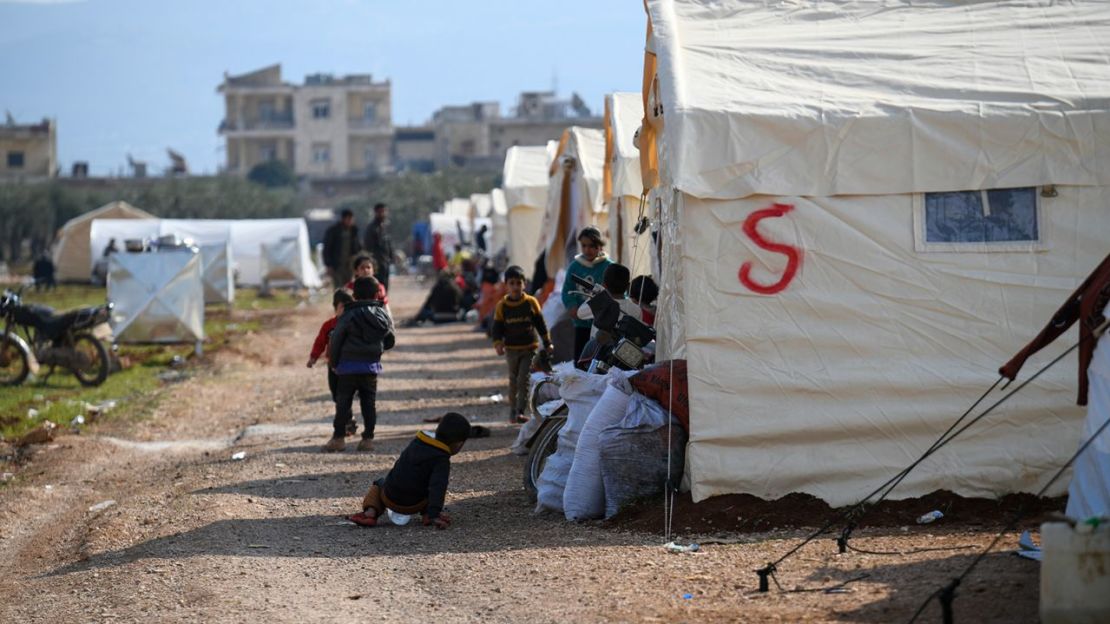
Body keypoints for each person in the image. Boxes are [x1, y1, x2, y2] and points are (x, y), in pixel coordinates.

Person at [348, 412, 471, 529]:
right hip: (415, 504)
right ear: (458, 444)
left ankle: (370, 513)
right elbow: (438, 487)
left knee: (379, 484)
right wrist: (435, 514)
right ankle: (428, 514)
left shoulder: (417, 442)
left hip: (389, 497)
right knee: (430, 486)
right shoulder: (441, 459)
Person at [325, 276, 395, 452]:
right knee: (369, 403)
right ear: (376, 294)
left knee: (343, 403)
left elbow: (336, 340)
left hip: (347, 367)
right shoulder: (382, 314)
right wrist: (377, 350)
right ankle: (368, 439)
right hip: (370, 367)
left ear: (354, 295)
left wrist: (334, 362)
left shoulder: (348, 314)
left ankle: (339, 438)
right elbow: (390, 339)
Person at [492, 266, 553, 423]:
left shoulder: (531, 303)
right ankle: (513, 410)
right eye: (511, 283)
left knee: (523, 379)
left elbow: (540, 324)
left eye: (518, 283)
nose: (515, 287)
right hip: (511, 349)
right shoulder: (502, 306)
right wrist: (498, 343)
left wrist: (547, 342)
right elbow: (497, 328)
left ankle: (520, 410)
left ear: (524, 284)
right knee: (513, 379)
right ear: (506, 285)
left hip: (528, 347)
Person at [307, 289, 358, 437]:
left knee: (345, 395)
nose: (345, 310)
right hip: (333, 366)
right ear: (335, 307)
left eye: (349, 307)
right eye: (342, 307)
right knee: (336, 395)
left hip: (349, 367)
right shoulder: (329, 325)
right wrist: (313, 357)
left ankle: (345, 424)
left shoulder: (354, 325)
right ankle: (349, 417)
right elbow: (320, 342)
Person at [561, 226, 613, 360]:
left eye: (591, 246)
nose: (587, 250)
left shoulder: (608, 267)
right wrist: (571, 306)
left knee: (601, 357)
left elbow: (617, 289)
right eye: (584, 246)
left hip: (603, 324)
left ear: (600, 246)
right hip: (581, 322)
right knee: (581, 359)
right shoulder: (575, 267)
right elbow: (567, 290)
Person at [576, 263, 641, 339]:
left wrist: (595, 295)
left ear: (604, 285)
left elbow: (580, 314)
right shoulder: (637, 310)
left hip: (598, 348)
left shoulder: (600, 303)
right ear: (628, 286)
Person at [322, 209, 361, 289]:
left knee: (349, 287)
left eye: (351, 219)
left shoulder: (354, 231)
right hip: (337, 265)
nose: (350, 221)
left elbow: (357, 247)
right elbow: (327, 249)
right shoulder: (333, 231)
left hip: (350, 265)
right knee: (339, 288)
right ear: (344, 219)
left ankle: (347, 302)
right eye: (349, 219)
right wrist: (328, 264)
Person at [363, 202, 394, 292]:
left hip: (385, 262)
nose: (383, 214)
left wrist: (391, 256)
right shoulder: (371, 228)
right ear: (376, 212)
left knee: (385, 287)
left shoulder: (385, 226)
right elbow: (368, 247)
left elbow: (389, 243)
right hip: (376, 263)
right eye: (380, 212)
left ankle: (383, 305)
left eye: (384, 211)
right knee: (376, 287)